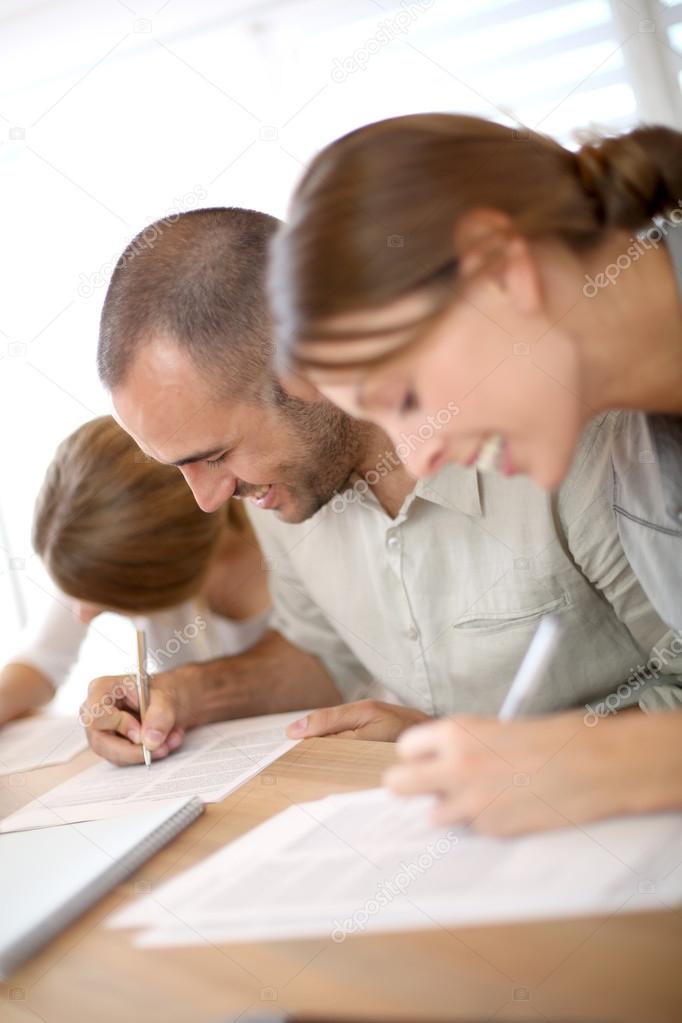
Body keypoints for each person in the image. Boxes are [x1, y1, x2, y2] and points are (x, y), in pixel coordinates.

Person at [85, 206, 682, 835]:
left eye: (215, 456)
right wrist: (183, 695)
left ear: (307, 371)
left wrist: (494, 757)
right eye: (180, 466)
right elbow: (321, 652)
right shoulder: (274, 485)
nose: (207, 498)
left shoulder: (571, 440)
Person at [266, 113, 682, 826]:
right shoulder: (638, 454)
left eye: (404, 396)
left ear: (501, 268)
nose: (420, 455)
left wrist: (606, 763)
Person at [0, 415, 270, 750]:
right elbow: (40, 661)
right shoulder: (104, 548)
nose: (83, 615)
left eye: (105, 599)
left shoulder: (281, 549)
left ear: (162, 566)